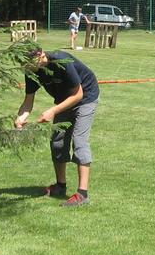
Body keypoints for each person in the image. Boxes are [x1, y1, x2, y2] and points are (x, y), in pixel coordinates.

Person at [16, 46, 100, 207]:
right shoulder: (31, 71)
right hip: (64, 99)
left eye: (28, 62)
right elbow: (28, 101)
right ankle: (60, 186)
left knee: (79, 141)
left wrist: (53, 111)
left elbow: (78, 95)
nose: (27, 66)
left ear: (40, 54)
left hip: (86, 96)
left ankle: (83, 194)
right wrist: (21, 117)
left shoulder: (60, 60)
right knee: (57, 141)